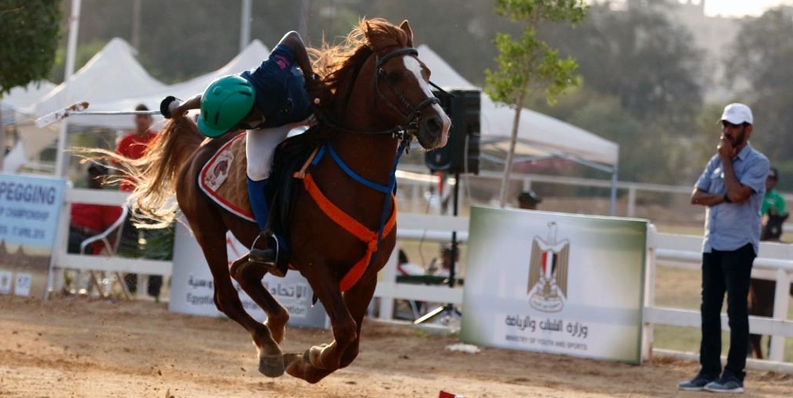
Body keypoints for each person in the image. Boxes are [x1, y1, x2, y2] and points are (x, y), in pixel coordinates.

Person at [162, 31, 316, 277]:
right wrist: (178, 107)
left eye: (231, 126)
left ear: (246, 114)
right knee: (256, 169)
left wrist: (310, 77)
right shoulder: (229, 99)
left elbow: (293, 39)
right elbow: (202, 100)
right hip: (270, 125)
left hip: (308, 104)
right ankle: (271, 240)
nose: (229, 131)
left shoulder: (271, 75)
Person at [678, 103, 769, 394]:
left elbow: (739, 194)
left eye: (734, 126)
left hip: (739, 245)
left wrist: (728, 163)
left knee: (737, 310)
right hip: (713, 243)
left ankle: (734, 375)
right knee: (709, 309)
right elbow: (695, 196)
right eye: (725, 125)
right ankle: (708, 371)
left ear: (748, 129)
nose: (727, 131)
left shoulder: (757, 163)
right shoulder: (714, 160)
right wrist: (723, 197)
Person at [68, 163, 123, 255]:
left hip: (89, 244)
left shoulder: (109, 202)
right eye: (91, 174)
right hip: (68, 235)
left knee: (71, 240)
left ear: (106, 180)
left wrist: (80, 230)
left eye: (98, 175)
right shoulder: (78, 196)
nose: (93, 177)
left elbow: (109, 237)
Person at [760, 167, 788, 241]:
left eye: (771, 180)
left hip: (769, 230)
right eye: (766, 179)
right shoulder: (755, 194)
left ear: (775, 182)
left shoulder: (778, 198)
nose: (768, 182)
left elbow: (781, 214)